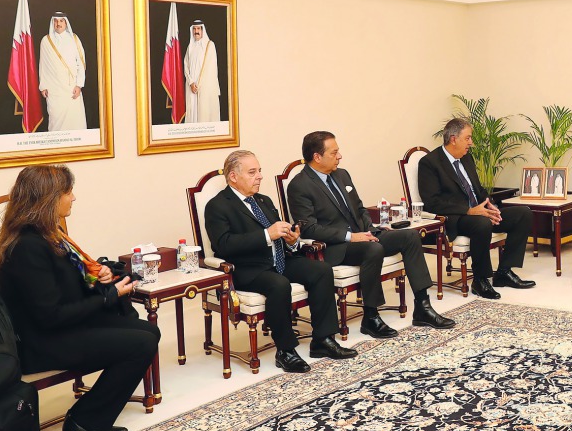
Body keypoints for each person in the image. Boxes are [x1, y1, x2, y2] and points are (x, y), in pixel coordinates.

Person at [0, 165, 159, 431]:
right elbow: (50, 315)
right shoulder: (27, 247)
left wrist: (100, 275)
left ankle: (85, 418)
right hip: (40, 342)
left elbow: (68, 283)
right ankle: (85, 420)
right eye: (68, 192)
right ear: (48, 199)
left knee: (147, 332)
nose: (73, 198)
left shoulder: (50, 235)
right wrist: (108, 297)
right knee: (140, 342)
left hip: (63, 328)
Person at [287, 131, 454, 338]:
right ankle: (371, 316)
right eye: (335, 153)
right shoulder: (299, 185)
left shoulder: (342, 174)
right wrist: (351, 237)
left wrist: (371, 228)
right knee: (372, 249)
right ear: (317, 157)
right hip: (335, 247)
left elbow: (359, 208)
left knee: (409, 236)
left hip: (363, 236)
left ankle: (422, 306)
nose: (340, 156)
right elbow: (309, 228)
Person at [205, 149, 356, 373]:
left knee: (322, 270)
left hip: (279, 260)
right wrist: (268, 234)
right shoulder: (218, 206)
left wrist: (292, 241)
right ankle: (286, 351)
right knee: (279, 284)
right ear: (233, 177)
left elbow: (280, 235)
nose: (259, 177)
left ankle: (322, 341)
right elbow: (224, 245)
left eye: (259, 171)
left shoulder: (263, 201)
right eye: (252, 172)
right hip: (249, 268)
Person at [417, 117, 535, 299]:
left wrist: (490, 206)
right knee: (481, 224)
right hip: (456, 217)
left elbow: (478, 190)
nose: (471, 143)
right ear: (453, 139)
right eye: (468, 138)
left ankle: (504, 272)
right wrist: (470, 211)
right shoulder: (430, 163)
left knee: (523, 213)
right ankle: (480, 280)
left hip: (479, 212)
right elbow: (432, 202)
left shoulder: (466, 158)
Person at [38, 12, 87, 131]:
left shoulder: (74, 39)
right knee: (55, 122)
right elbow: (43, 65)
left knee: (74, 120)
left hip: (71, 87)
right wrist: (43, 86)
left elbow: (81, 63)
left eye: (61, 21)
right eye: (55, 21)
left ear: (66, 22)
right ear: (52, 23)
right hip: (54, 89)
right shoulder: (46, 41)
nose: (58, 23)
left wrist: (79, 85)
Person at [184, 20, 221, 123]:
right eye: (194, 29)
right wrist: (191, 82)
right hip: (191, 88)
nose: (196, 31)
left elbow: (210, 69)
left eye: (198, 28)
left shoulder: (210, 46)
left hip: (204, 89)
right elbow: (186, 66)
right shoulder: (190, 47)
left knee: (204, 117)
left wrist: (198, 85)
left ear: (202, 30)